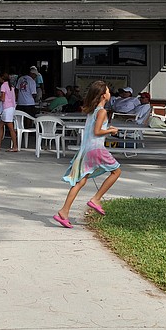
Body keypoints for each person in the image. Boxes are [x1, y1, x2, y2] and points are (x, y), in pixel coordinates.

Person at [54, 80, 122, 228]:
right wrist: (111, 130)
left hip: (87, 150)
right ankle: (96, 199)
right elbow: (97, 132)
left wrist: (107, 128)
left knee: (80, 182)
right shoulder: (102, 112)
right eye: (109, 91)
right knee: (116, 171)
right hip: (96, 150)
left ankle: (64, 211)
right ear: (103, 95)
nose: (110, 93)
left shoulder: (93, 111)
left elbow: (94, 130)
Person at [0, 70, 18, 152]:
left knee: (11, 128)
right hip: (11, 107)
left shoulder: (3, 86)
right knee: (0, 125)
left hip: (7, 108)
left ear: (1, 78)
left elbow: (3, 99)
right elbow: (14, 97)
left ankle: (15, 146)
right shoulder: (11, 86)